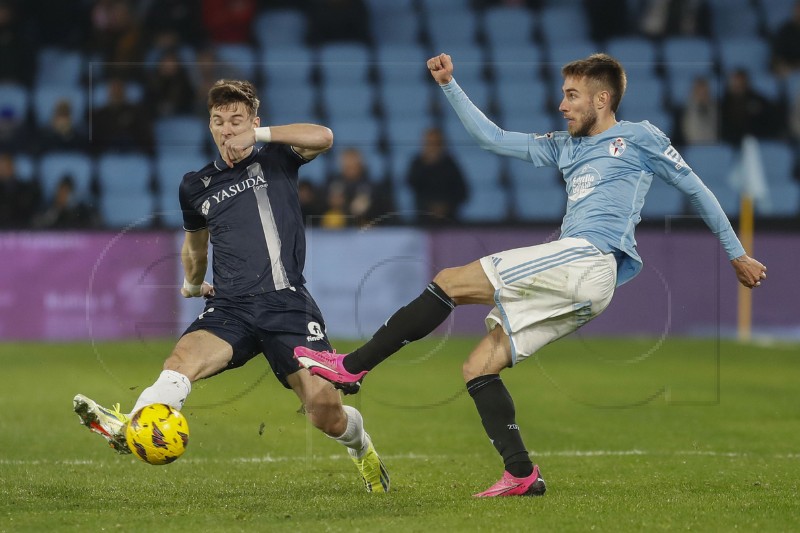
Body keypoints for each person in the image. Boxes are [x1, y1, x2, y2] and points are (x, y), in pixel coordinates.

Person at [294, 53, 768, 497]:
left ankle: (352, 366)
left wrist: (737, 254)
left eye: (572, 95)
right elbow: (492, 139)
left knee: (450, 280)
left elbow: (696, 188)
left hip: (589, 257)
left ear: (602, 99)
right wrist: (449, 85)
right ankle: (522, 474)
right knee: (478, 367)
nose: (562, 105)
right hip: (584, 282)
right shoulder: (564, 147)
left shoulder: (639, 137)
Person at [73, 79, 390, 493]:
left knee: (324, 412)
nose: (228, 129)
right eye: (219, 121)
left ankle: (361, 447)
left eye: (237, 120)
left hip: (287, 304)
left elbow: (324, 137)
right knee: (180, 362)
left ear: (254, 122)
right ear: (210, 127)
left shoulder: (277, 157)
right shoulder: (195, 185)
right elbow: (195, 247)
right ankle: (131, 426)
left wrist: (257, 136)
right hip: (231, 308)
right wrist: (190, 284)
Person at [406, 126, 468, 224]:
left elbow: (463, 192)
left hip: (448, 220)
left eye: (436, 143)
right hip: (423, 220)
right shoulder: (418, 163)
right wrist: (426, 164)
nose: (432, 147)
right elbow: (411, 183)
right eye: (429, 143)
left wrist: (446, 206)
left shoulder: (450, 164)